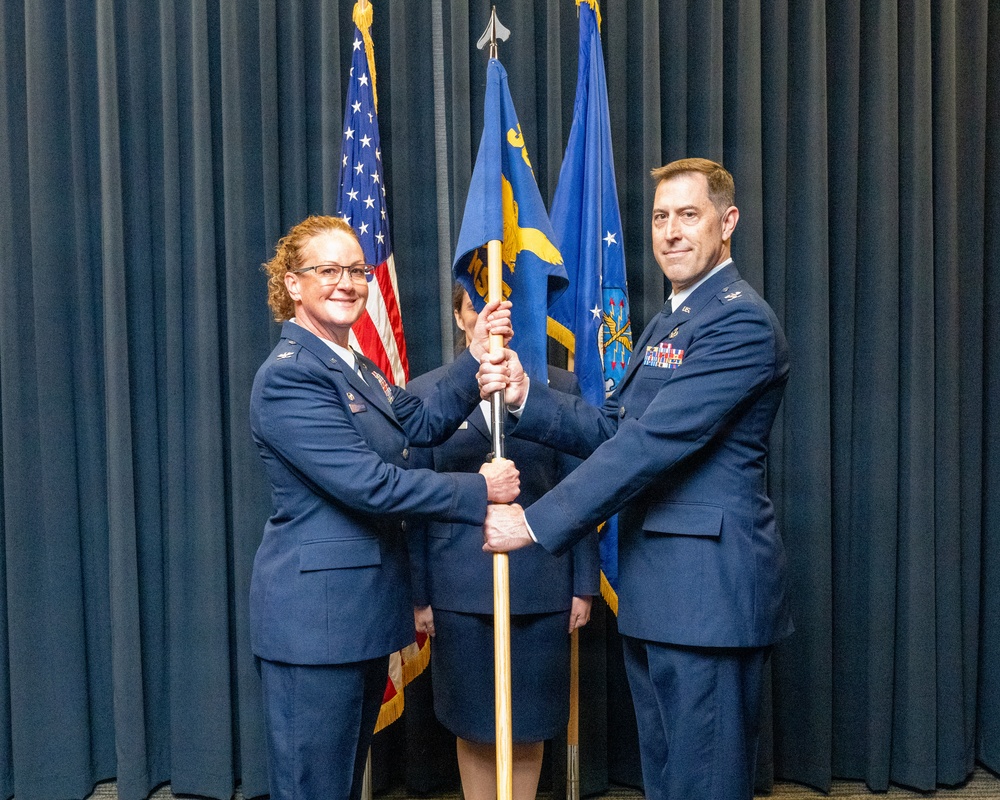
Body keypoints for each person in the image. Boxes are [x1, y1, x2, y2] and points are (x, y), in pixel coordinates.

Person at [480, 158, 792, 800]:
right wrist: (523, 398)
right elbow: (614, 430)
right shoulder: (670, 320)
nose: (671, 232)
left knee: (703, 785)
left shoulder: (740, 322)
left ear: (727, 223)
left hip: (709, 597)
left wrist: (534, 523)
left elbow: (652, 444)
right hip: (660, 591)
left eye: (688, 215)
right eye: (659, 217)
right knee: (669, 783)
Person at [248, 215, 519, 800]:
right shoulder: (290, 378)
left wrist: (475, 359)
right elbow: (371, 485)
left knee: (341, 783)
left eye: (356, 270)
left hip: (356, 616)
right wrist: (481, 491)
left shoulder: (355, 364)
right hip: (314, 624)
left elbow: (417, 423)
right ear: (293, 284)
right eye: (327, 270)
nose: (346, 282)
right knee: (313, 787)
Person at [406, 285, 599, 800]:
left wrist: (584, 584)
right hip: (458, 591)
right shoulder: (425, 395)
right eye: (478, 308)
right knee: (472, 722)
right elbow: (416, 508)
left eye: (505, 310)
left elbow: (579, 490)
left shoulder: (557, 387)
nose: (493, 321)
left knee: (529, 721)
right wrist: (420, 594)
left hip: (541, 586)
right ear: (458, 315)